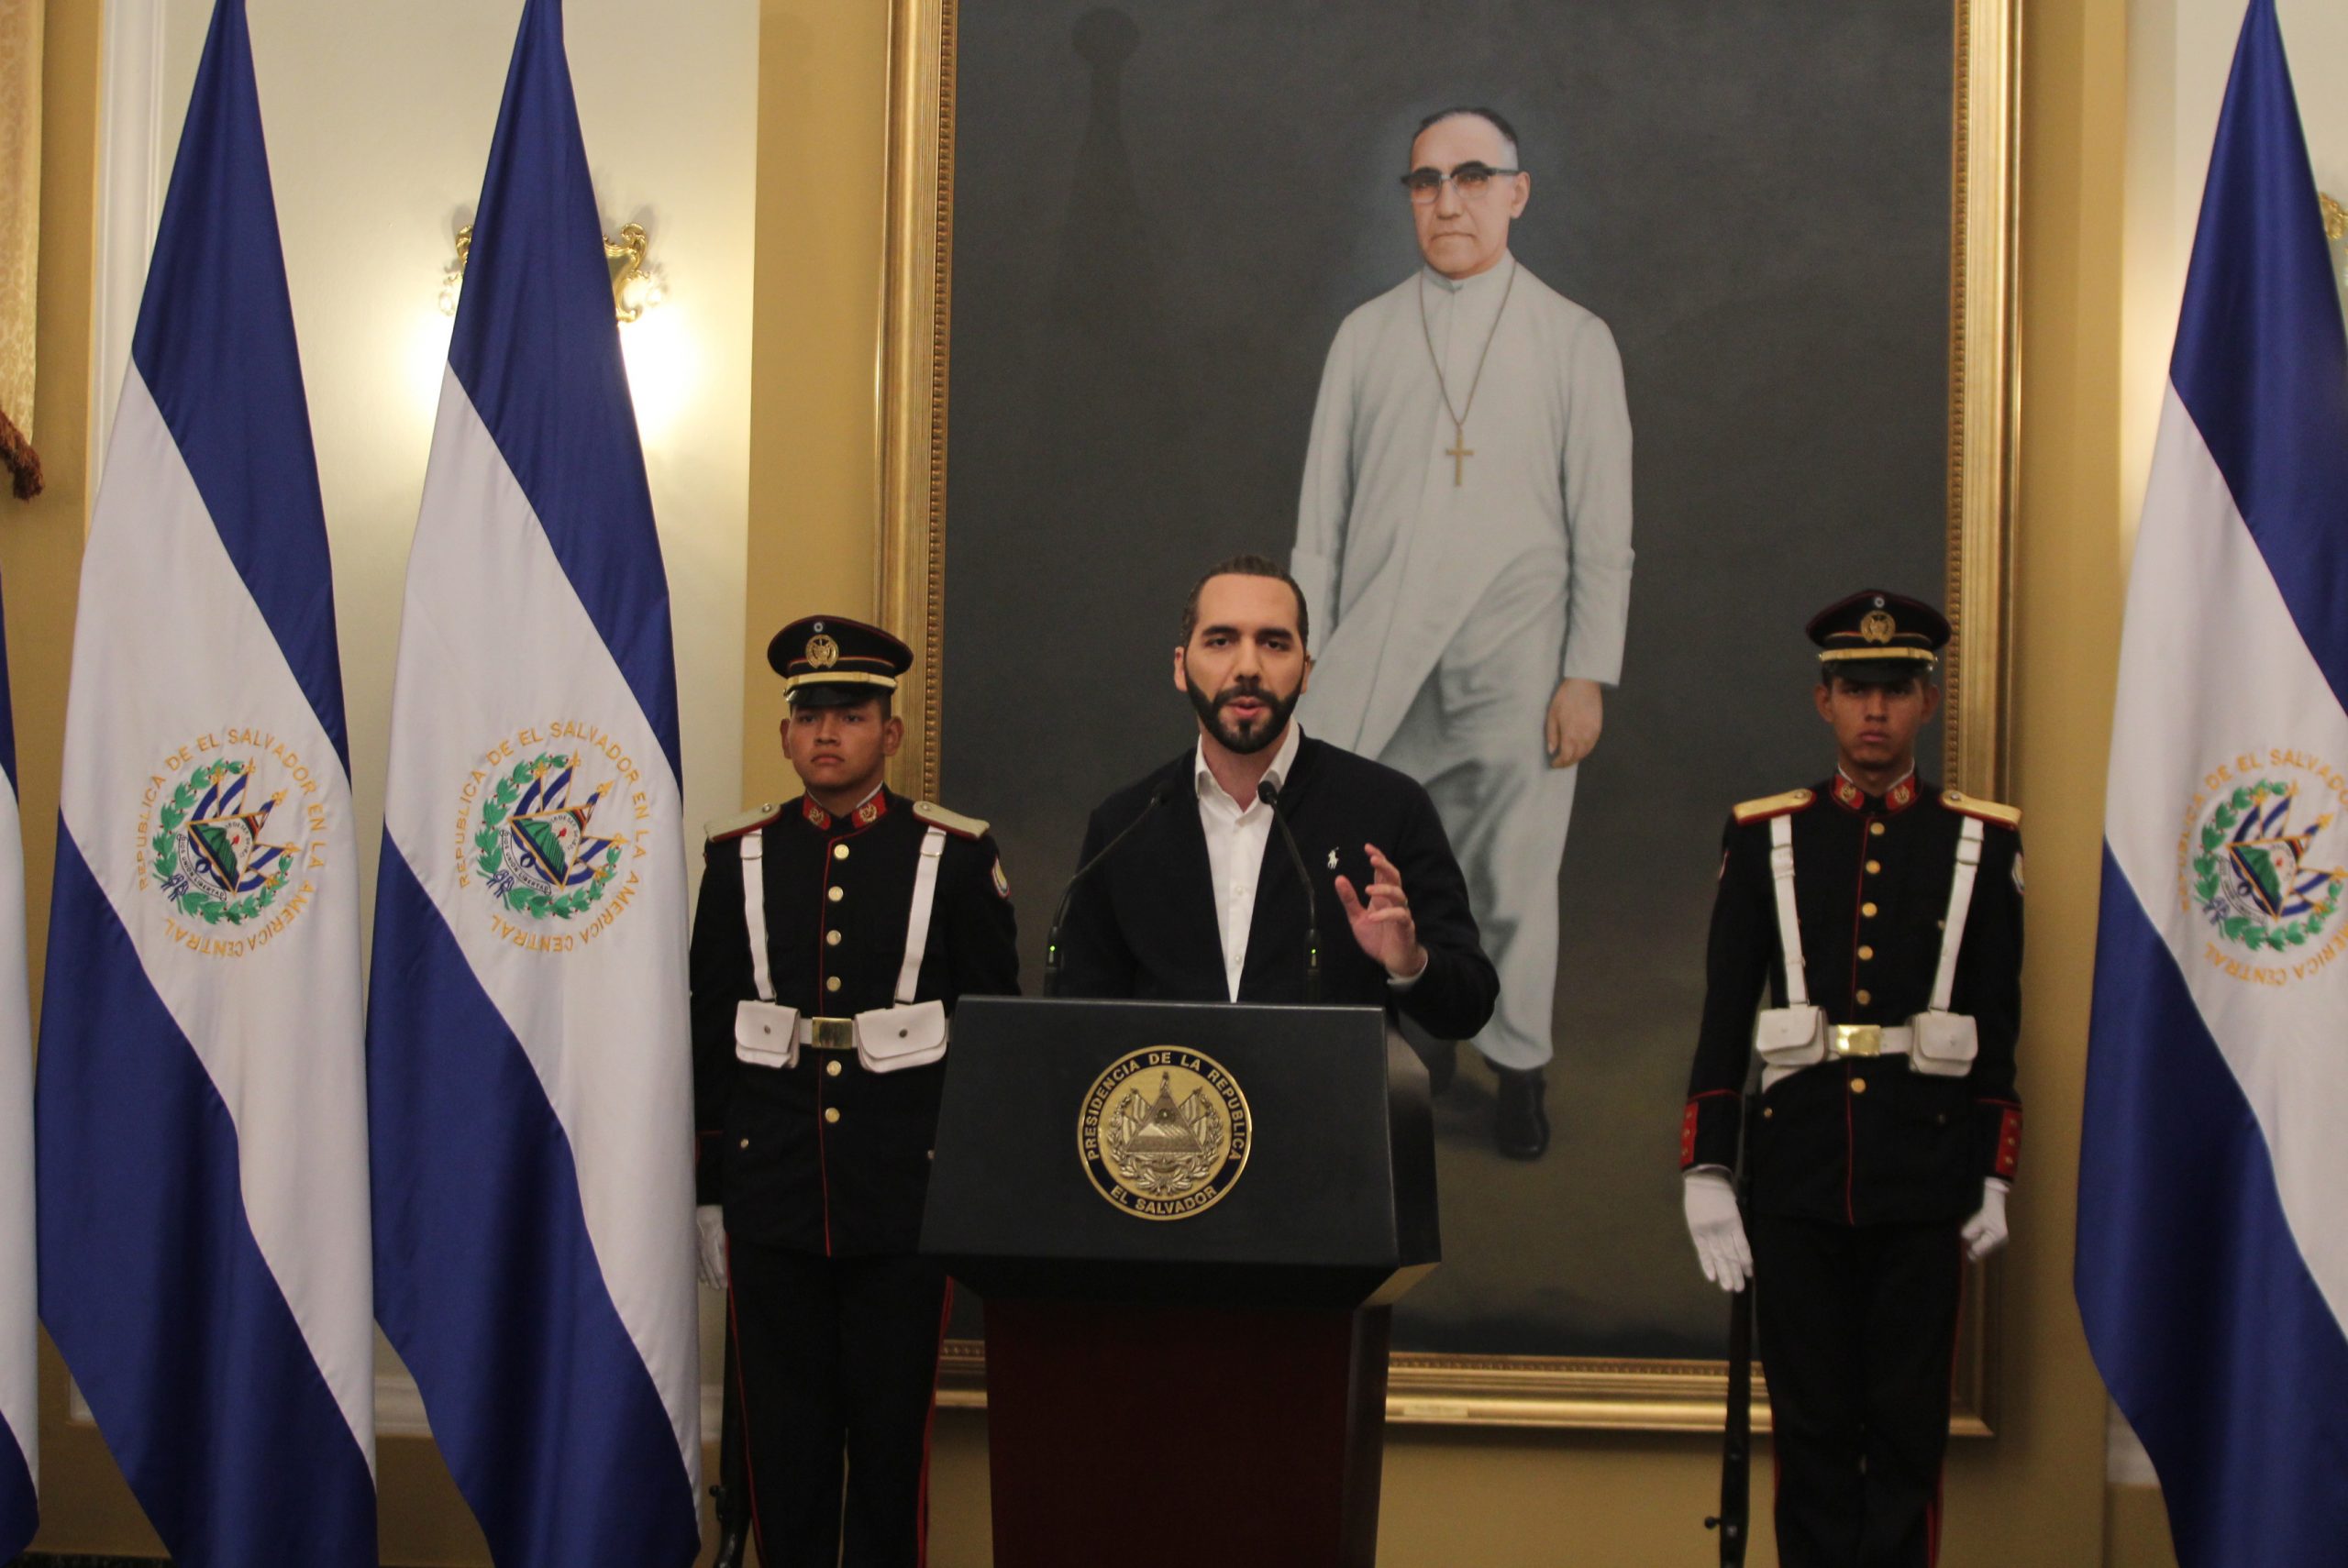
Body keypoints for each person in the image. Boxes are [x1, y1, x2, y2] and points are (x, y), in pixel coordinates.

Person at [1290, 105, 1634, 1158]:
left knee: (1513, 882)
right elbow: (1321, 524)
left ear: (1516, 193)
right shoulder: (1365, 336)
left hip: (1516, 661)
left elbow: (1602, 528)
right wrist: (1304, 660)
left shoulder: (1574, 340)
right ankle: (1417, 1041)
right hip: (1378, 659)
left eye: (1473, 177)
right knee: (1379, 875)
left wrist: (1586, 673)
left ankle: (1518, 1070)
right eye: (1426, 182)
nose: (1448, 201)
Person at [1677, 590, 2023, 1568]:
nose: (1876, 709)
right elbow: (1723, 1014)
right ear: (1822, 699)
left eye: (1896, 689)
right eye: (1856, 688)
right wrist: (1707, 1168)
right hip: (1797, 1176)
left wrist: (1995, 1170)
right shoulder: (1765, 836)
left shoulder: (1980, 842)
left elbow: (1999, 1021)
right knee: (1813, 1432)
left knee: (1908, 1436)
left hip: (1925, 1179)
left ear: (1927, 702)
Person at [691, 614, 1019, 1568]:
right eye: (809, 716)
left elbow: (992, 1040)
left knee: (887, 1451)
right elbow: (709, 1033)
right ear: (784, 734)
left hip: (903, 1202)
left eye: (850, 714)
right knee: (782, 1450)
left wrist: (972, 1194)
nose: (826, 733)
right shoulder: (738, 857)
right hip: (773, 1195)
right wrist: (710, 1190)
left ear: (890, 732)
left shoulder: (954, 855)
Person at [1057, 553, 1497, 1043]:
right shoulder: (1124, 826)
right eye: (1221, 641)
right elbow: (1075, 1025)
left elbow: (1471, 1004)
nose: (1248, 667)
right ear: (1181, 667)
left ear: (1306, 671)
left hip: (1329, 1093)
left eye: (1274, 643)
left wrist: (1409, 964)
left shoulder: (1390, 808)